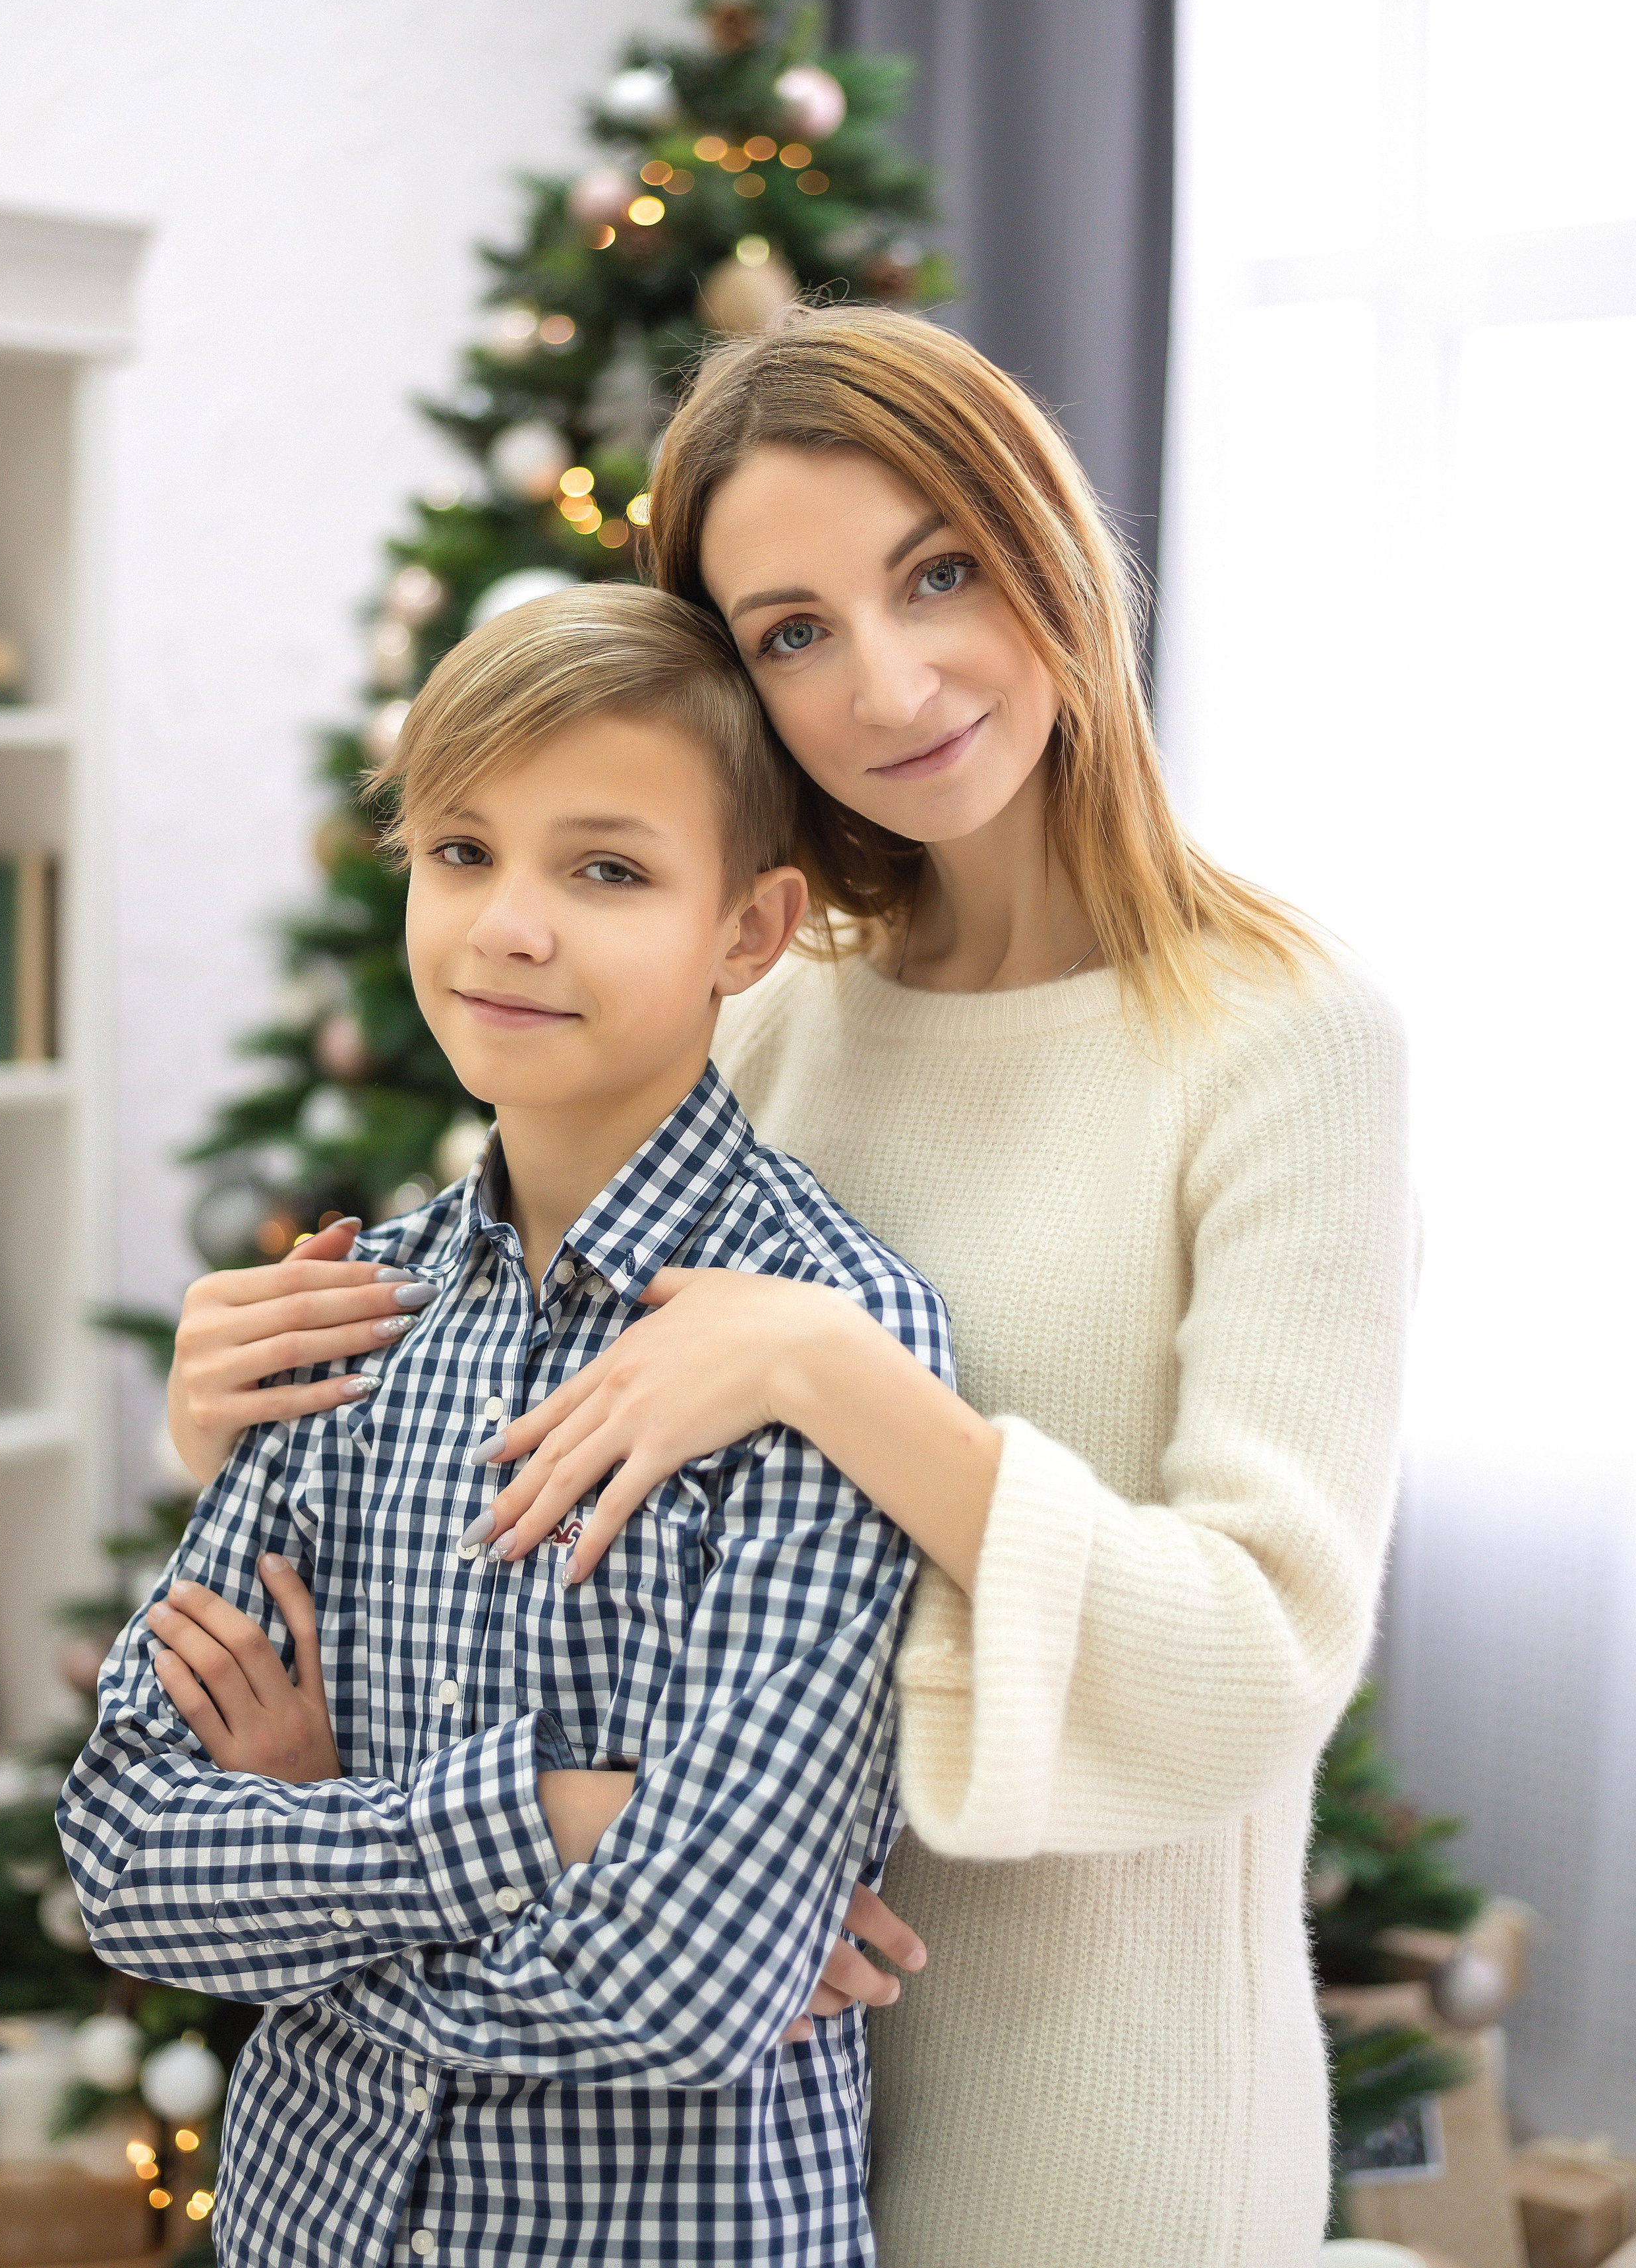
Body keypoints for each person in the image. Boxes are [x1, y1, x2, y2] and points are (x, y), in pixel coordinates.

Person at [457, 309, 1416, 2267]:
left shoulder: (1283, 1046)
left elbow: (1255, 1659)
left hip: (1099, 2119)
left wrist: (831, 1372)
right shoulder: (765, 1001)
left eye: (939, 573)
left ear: (1048, 544)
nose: (890, 683)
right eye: (793, 632)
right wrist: (245, 1384)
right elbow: (466, 1361)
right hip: (722, 2085)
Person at [59, 583, 955, 2268]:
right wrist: (551, 1817)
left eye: (605, 869)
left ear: (747, 932)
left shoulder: (827, 1339)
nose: (506, 927)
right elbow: (124, 1852)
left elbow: (697, 1983)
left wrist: (317, 1843)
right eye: (462, 850)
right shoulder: (346, 1314)